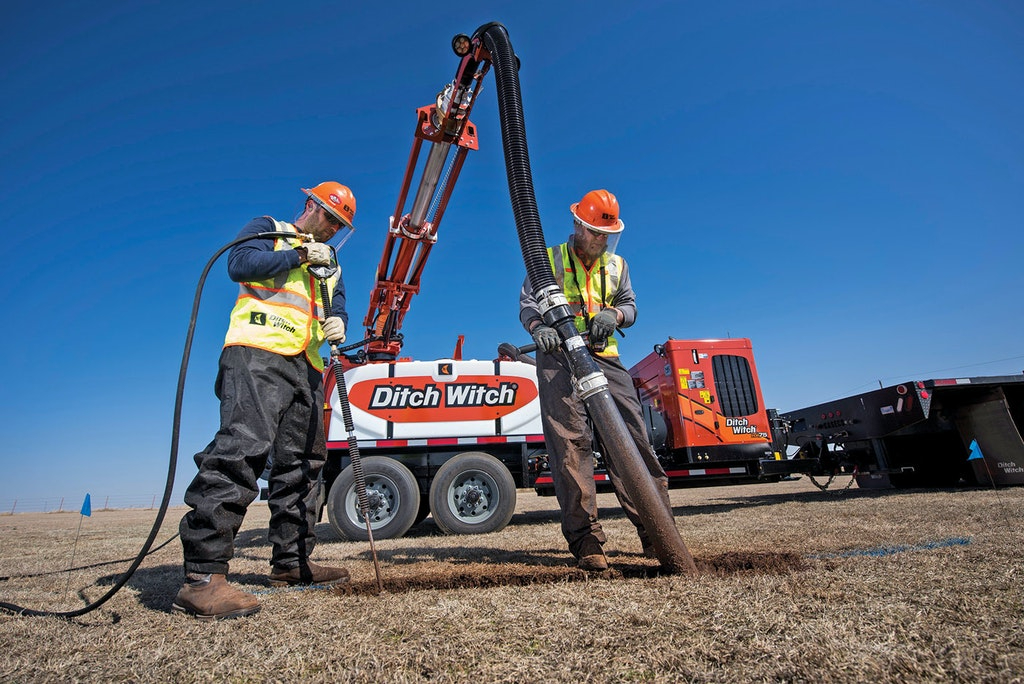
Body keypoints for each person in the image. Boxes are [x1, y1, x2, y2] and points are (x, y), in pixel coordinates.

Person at [173, 182, 357, 620]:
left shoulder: (332, 263)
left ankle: (292, 563)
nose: (332, 229)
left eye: (340, 225)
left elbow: (339, 306)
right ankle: (202, 577)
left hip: (308, 365)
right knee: (242, 449)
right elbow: (240, 265)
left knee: (302, 466)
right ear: (310, 205)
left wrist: (339, 324)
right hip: (257, 352)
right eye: (329, 218)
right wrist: (297, 254)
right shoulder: (269, 229)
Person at [519, 189, 674, 572]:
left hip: (604, 358)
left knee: (634, 443)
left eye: (608, 234)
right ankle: (586, 540)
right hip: (559, 361)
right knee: (571, 447)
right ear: (577, 225)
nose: (602, 240)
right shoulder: (548, 259)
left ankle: (657, 531)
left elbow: (630, 304)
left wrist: (616, 317)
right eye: (595, 232)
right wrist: (540, 328)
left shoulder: (618, 265)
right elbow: (527, 304)